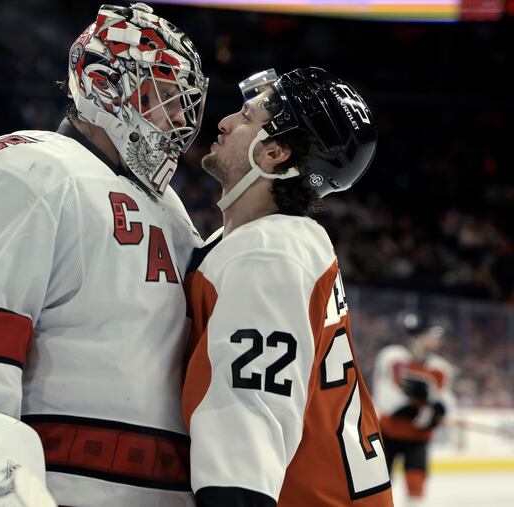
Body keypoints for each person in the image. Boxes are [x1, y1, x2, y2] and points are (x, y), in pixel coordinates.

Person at [0, 3, 207, 506]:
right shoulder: (29, 166)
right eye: (163, 97)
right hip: (55, 489)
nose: (176, 119)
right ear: (104, 82)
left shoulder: (167, 205)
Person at [182, 67, 393, 506]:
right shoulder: (273, 243)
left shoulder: (267, 251)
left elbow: (249, 422)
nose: (224, 123)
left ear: (273, 152)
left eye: (245, 117)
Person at [372, 313, 455, 506]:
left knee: (416, 486)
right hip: (388, 433)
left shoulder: (441, 368)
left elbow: (445, 400)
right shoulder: (392, 356)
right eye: (433, 335)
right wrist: (412, 408)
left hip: (418, 439)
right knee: (377, 485)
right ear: (419, 335)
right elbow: (384, 393)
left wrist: (437, 410)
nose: (437, 340)